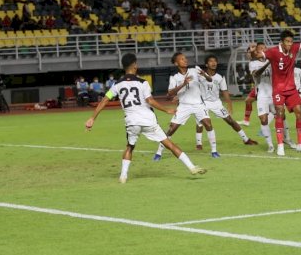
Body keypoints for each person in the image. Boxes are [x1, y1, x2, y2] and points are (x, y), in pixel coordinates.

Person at [85, 53, 206, 183]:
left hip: (132, 122)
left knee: (130, 147)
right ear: (135, 65)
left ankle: (123, 176)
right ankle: (192, 167)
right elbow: (150, 101)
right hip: (148, 120)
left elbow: (104, 100)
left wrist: (92, 118)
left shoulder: (117, 85)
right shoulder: (143, 82)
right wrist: (166, 110)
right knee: (169, 144)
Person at [256, 26, 301, 156]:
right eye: (287, 41)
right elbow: (259, 55)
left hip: (291, 89)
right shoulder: (273, 51)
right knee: (280, 113)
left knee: (299, 112)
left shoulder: (294, 48)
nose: (290, 44)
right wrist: (257, 50)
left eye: (291, 41)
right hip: (278, 89)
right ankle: (280, 146)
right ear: (282, 42)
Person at [153, 52, 219, 161]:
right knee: (172, 129)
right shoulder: (174, 77)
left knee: (208, 124)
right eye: (182, 59)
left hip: (198, 104)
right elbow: (170, 93)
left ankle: (214, 151)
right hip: (184, 106)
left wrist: (204, 74)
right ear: (176, 63)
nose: (185, 60)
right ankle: (158, 152)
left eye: (185, 58)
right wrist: (183, 84)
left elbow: (210, 80)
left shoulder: (195, 70)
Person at [196, 54, 258, 150]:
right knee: (201, 122)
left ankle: (246, 139)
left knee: (230, 121)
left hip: (216, 103)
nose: (213, 63)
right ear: (206, 64)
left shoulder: (220, 77)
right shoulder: (200, 76)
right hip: (203, 103)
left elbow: (224, 91)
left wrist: (229, 104)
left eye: (215, 61)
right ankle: (199, 144)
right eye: (211, 61)